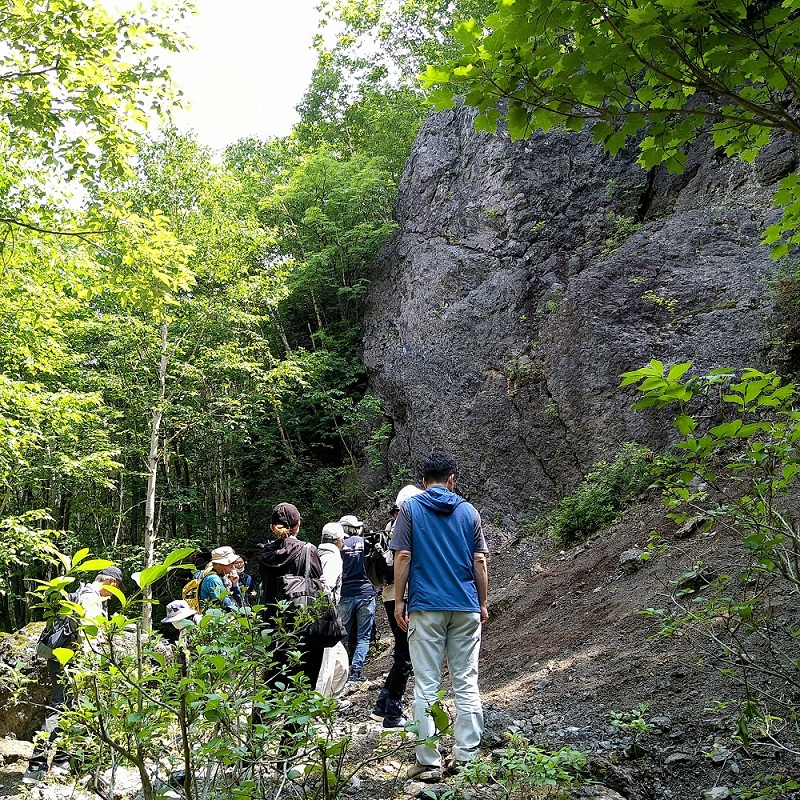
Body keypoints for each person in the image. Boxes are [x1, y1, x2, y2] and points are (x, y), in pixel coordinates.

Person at [392, 451, 489, 782]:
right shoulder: (468, 511)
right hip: (465, 606)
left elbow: (403, 555)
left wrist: (399, 601)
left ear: (423, 482)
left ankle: (429, 762)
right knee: (466, 679)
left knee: (427, 685)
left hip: (426, 605)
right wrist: (483, 602)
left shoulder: (410, 509)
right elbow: (480, 562)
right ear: (452, 479)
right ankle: (467, 755)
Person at [23, 567, 125, 784]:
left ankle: (61, 760)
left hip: (59, 659)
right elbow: (89, 640)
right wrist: (91, 669)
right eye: (115, 587)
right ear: (109, 581)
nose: (114, 593)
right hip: (72, 663)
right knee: (60, 710)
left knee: (70, 709)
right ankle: (36, 766)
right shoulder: (91, 600)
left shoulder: (79, 594)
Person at [256, 502, 327, 687]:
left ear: (272, 527)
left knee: (272, 683)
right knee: (303, 684)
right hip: (302, 625)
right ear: (297, 526)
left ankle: (259, 717)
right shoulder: (307, 550)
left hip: (272, 626)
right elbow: (317, 583)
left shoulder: (264, 554)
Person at [370, 485, 421, 730]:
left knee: (403, 651)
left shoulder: (391, 527)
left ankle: (383, 704)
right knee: (406, 655)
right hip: (407, 594)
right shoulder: (410, 526)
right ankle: (393, 710)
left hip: (390, 594)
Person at [337, 514, 375, 682]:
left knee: (341, 636)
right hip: (365, 593)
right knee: (363, 636)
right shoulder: (364, 542)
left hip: (345, 594)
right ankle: (356, 672)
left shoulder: (338, 545)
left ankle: (335, 669)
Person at [315, 523, 350, 700]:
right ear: (341, 541)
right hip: (325, 617)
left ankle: (331, 700)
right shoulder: (333, 558)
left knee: (341, 665)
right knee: (325, 666)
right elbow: (325, 589)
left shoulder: (316, 554)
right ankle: (317, 708)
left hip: (317, 617)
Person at [199, 546, 242, 612]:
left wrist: (234, 585)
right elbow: (226, 605)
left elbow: (239, 601)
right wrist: (242, 612)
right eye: (230, 563)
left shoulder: (221, 577)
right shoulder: (214, 579)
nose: (232, 566)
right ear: (219, 564)